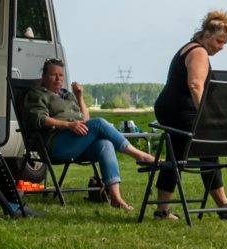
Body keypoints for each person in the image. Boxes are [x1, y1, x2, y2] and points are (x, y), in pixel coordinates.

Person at [17, 58, 153, 211]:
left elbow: (85, 120)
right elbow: (39, 119)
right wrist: (68, 125)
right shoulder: (37, 94)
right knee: (100, 123)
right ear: (43, 76)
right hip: (54, 143)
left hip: (76, 144)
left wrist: (79, 96)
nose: (58, 79)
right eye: (53, 75)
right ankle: (140, 156)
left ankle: (115, 197)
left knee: (105, 145)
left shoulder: (66, 96)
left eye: (61, 75)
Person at [150, 9, 227, 221]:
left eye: (224, 43)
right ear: (206, 35)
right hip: (180, 111)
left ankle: (162, 210)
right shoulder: (198, 52)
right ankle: (223, 205)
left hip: (171, 110)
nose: (220, 47)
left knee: (176, 154)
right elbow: (195, 85)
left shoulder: (191, 48)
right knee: (208, 145)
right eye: (219, 41)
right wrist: (205, 118)